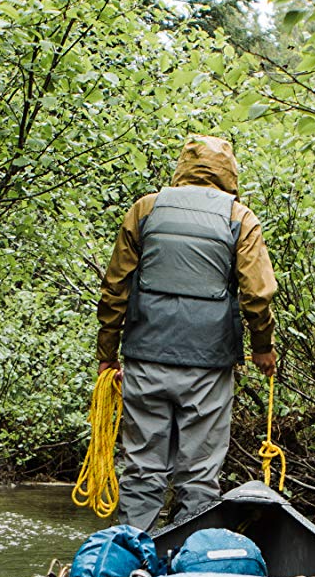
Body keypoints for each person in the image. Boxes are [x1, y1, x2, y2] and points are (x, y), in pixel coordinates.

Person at [97, 134, 278, 531]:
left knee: (142, 468)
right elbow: (256, 294)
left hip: (145, 358)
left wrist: (107, 352)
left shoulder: (145, 209)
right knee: (198, 474)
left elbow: (115, 287)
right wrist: (262, 347)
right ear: (229, 172)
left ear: (183, 167)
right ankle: (190, 554)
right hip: (208, 367)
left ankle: (132, 551)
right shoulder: (239, 217)